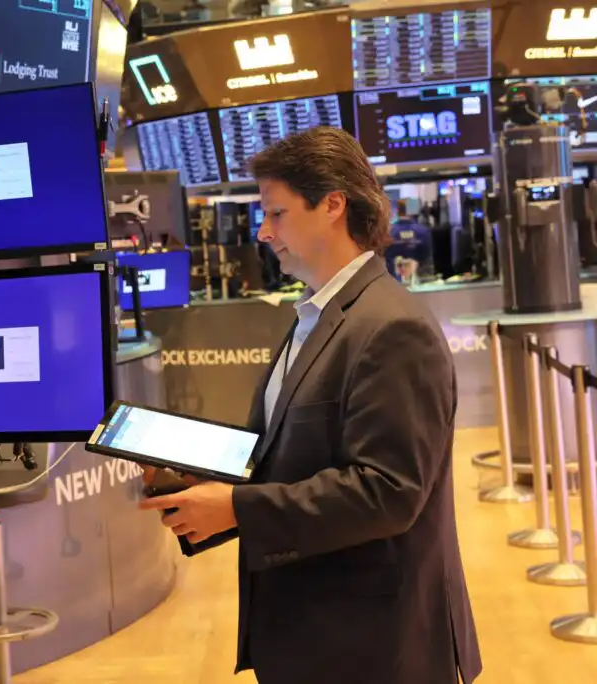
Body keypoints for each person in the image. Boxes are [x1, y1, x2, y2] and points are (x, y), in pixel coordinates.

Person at [139, 127, 482, 684]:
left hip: (374, 646)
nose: (262, 229)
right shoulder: (316, 315)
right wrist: (192, 482)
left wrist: (236, 508)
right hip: (313, 630)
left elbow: (388, 491)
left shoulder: (391, 326)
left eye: (275, 213)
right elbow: (286, 459)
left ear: (332, 206)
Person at [384, 198, 434, 282]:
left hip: (393, 283)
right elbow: (428, 259)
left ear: (398, 211)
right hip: (420, 282)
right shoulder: (423, 231)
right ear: (413, 211)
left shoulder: (388, 232)